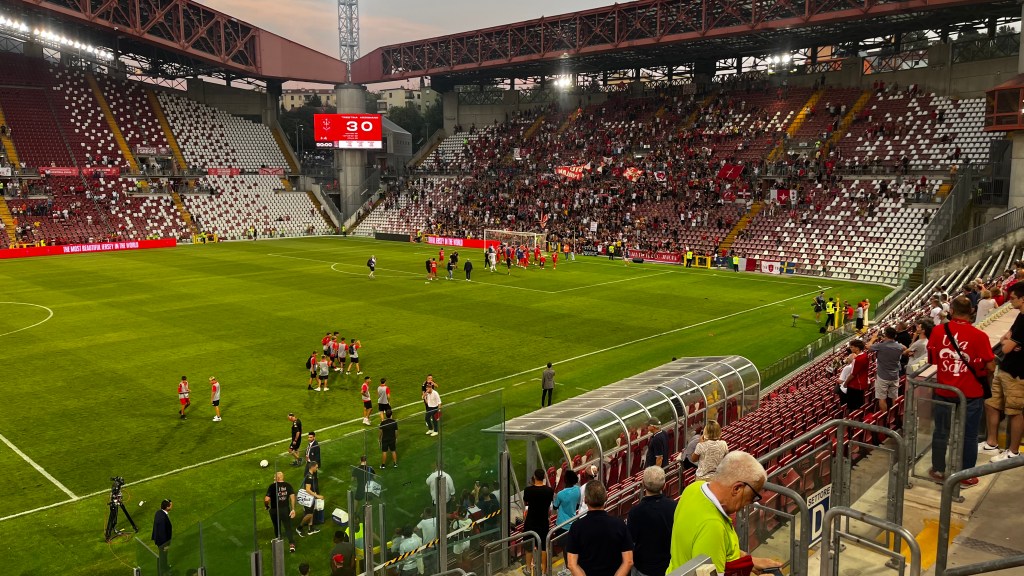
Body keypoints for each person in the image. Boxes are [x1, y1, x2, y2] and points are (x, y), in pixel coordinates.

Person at [667, 451, 782, 575]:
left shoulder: (693, 488)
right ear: (737, 488)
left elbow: (721, 550)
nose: (749, 503)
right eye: (753, 497)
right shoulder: (713, 527)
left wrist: (750, 562)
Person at [926, 296, 996, 488]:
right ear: (972, 311)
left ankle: (938, 470)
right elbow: (990, 365)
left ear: (952, 311)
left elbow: (932, 359)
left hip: (944, 390)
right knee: (969, 435)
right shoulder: (980, 336)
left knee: (941, 431)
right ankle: (965, 475)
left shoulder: (938, 330)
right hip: (971, 393)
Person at [980, 283, 1024, 462]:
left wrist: (1009, 343)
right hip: (1005, 368)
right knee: (991, 403)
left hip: (1017, 374)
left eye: (1013, 298)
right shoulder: (1020, 316)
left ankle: (1013, 452)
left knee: (1015, 411)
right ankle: (992, 443)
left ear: (1023, 298)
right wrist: (1010, 342)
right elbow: (1006, 337)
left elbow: (1005, 347)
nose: (1009, 301)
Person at [566, 481, 633, 576]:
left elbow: (572, 564)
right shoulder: (619, 524)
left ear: (585, 500)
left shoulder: (576, 527)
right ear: (606, 498)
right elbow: (628, 561)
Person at [627, 467, 676, 576]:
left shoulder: (635, 512)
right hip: (667, 565)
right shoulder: (674, 506)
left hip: (643, 568)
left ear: (643, 484)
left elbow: (631, 541)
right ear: (664, 485)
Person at [522, 469, 555, 575]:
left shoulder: (528, 490)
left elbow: (526, 501)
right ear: (544, 477)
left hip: (531, 521)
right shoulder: (549, 490)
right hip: (543, 521)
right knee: (544, 546)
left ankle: (528, 568)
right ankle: (544, 570)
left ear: (534, 477)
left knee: (529, 546)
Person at [867, 327, 906, 412]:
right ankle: (894, 414)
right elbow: (905, 349)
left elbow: (868, 346)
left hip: (883, 376)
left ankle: (884, 415)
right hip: (895, 376)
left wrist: (873, 338)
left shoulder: (881, 346)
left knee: (882, 398)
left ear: (885, 335)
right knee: (894, 397)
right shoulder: (899, 346)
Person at [551, 469, 581, 575]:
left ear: (566, 480)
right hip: (574, 521)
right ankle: (570, 566)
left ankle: (568, 568)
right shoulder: (578, 490)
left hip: (562, 524)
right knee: (572, 546)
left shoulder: (561, 494)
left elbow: (555, 506)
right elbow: (577, 505)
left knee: (565, 547)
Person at [265, 471, 297, 553]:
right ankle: (292, 544)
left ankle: (278, 539)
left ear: (277, 478)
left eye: (274, 477)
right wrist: (293, 509)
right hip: (285, 509)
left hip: (274, 510)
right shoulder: (288, 485)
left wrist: (266, 505)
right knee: (287, 527)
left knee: (276, 526)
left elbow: (267, 499)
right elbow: (292, 497)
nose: (273, 478)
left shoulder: (272, 486)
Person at [297, 461, 324, 536]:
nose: (317, 469)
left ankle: (310, 528)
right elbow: (307, 489)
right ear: (312, 467)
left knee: (311, 512)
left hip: (311, 497)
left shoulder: (311, 475)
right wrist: (317, 496)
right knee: (309, 514)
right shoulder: (309, 477)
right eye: (316, 467)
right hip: (308, 498)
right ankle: (299, 527)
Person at [152, 499, 173, 575]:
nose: (172, 506)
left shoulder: (159, 512)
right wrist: (165, 545)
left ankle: (165, 566)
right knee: (163, 555)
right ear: (167, 507)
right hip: (162, 541)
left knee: (163, 555)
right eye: (170, 505)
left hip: (159, 539)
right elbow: (162, 532)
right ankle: (163, 570)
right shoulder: (163, 518)